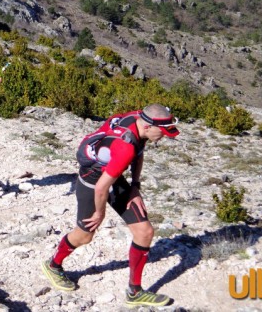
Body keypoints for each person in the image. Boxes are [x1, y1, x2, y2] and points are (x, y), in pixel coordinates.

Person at [41, 104, 181, 307]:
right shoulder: (125, 147)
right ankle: (53, 265)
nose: (165, 136)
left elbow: (139, 152)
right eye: (164, 131)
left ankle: (135, 292)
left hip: (111, 175)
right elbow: (101, 188)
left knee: (144, 232)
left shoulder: (138, 121)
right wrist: (100, 213)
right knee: (85, 234)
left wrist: (135, 186)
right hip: (93, 181)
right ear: (149, 126)